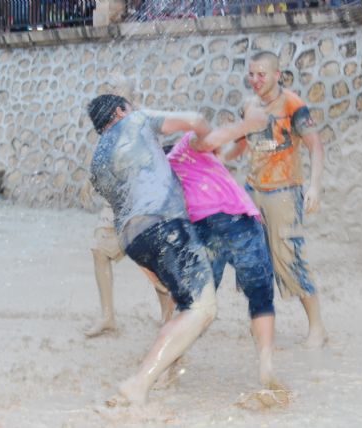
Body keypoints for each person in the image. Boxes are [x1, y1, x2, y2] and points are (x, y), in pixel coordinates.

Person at [87, 94, 268, 405]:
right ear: (121, 110)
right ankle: (139, 383)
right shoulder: (136, 120)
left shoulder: (98, 159)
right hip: (164, 225)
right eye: (129, 105)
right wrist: (208, 137)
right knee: (201, 308)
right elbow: (195, 119)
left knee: (187, 305)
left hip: (133, 238)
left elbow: (121, 208)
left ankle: (154, 377)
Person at [220, 50, 328, 348]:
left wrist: (315, 186)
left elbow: (315, 146)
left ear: (277, 75)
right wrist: (217, 162)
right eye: (251, 74)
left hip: (284, 191)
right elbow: (241, 146)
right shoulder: (249, 106)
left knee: (289, 259)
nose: (255, 80)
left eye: (261, 74)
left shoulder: (293, 105)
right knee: (253, 260)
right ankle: (263, 324)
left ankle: (317, 328)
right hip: (253, 191)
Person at [169, 130, 279, 388]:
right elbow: (209, 140)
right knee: (261, 295)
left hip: (203, 229)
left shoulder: (181, 172)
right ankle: (266, 365)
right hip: (237, 223)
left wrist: (242, 142)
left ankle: (169, 366)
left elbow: (225, 153)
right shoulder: (186, 145)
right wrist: (248, 122)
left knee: (195, 302)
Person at [85, 201, 174, 338]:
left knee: (154, 257)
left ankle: (168, 321)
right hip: (117, 197)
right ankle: (108, 318)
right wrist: (92, 180)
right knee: (100, 249)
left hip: (147, 197)